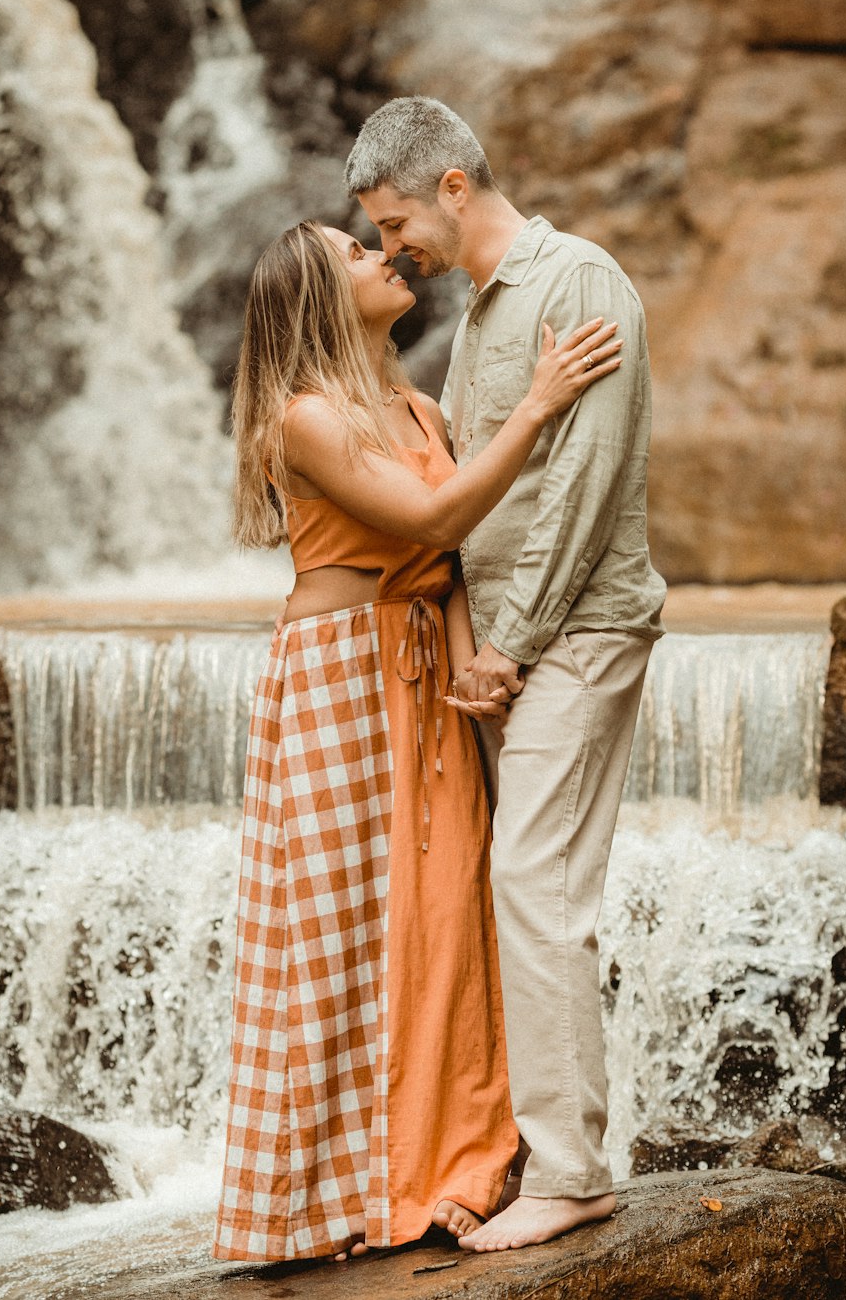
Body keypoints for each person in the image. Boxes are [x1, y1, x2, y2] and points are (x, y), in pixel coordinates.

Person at [212, 219, 622, 1264]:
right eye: (353, 252)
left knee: (446, 921)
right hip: (337, 678)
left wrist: (481, 664)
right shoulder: (300, 417)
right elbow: (436, 518)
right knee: (343, 934)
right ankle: (328, 1193)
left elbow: (440, 569)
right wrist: (539, 401)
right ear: (312, 295)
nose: (379, 255)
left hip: (423, 672)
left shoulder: (417, 405)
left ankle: (453, 1172)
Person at [345, 96, 668, 1252]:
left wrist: (509, 642)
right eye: (375, 241)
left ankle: (571, 1172)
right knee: (527, 885)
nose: (391, 253)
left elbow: (584, 482)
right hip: (512, 649)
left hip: (573, 636)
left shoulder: (578, 282)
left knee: (533, 883)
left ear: (449, 185)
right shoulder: (482, 318)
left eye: (391, 225)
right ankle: (547, 1148)